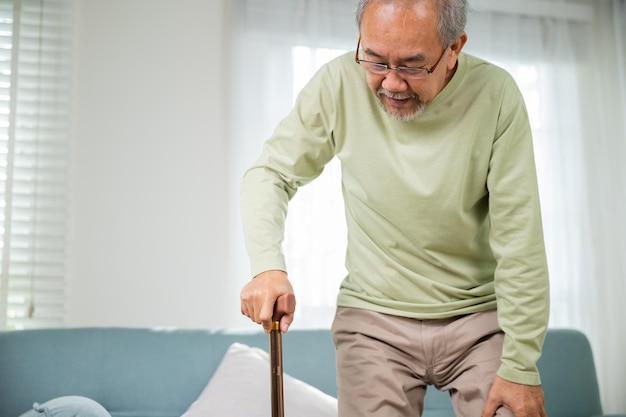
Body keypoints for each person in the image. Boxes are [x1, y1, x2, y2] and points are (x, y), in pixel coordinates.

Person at [239, 0, 550, 416]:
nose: (392, 83)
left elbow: (519, 238)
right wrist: (267, 267)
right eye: (375, 60)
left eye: (412, 65)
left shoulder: (496, 95)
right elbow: (271, 173)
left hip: (479, 319)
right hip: (373, 322)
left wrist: (521, 365)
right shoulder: (338, 83)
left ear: (454, 48)